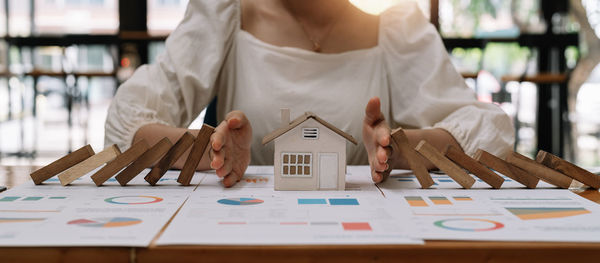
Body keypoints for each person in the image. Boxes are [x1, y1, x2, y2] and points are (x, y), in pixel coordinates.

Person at [105, 0, 514, 187]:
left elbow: (485, 132)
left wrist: (399, 149)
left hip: (369, 240)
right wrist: (210, 151)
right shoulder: (225, 11)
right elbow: (129, 127)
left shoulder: (394, 20)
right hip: (244, 235)